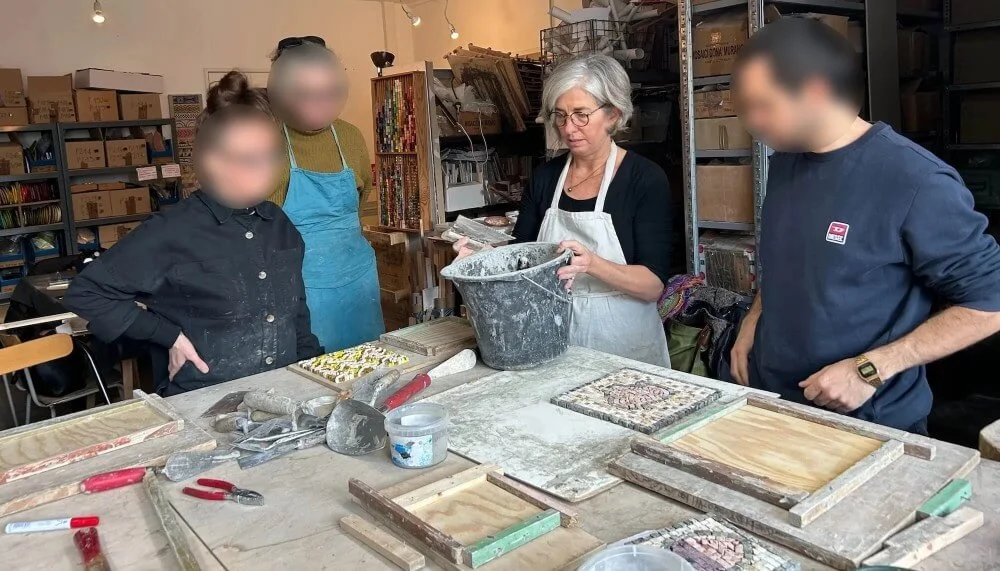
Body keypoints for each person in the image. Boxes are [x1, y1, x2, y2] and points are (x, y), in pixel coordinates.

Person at [728, 17, 1000, 432]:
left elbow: (990, 303)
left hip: (870, 422)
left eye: (765, 107)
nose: (753, 123)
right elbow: (791, 261)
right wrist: (752, 323)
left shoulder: (915, 181)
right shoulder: (785, 161)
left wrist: (869, 370)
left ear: (816, 91)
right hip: (773, 402)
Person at [64, 71, 322, 396]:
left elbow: (296, 311)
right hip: (205, 400)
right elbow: (87, 293)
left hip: (282, 393)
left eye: (269, 157)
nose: (263, 171)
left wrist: (313, 375)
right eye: (247, 159)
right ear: (214, 161)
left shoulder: (279, 224)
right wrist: (167, 335)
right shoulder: (172, 231)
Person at [459, 54, 673, 366]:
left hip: (623, 348)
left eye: (581, 115)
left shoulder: (644, 179)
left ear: (613, 114)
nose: (568, 128)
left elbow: (652, 286)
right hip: (553, 338)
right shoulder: (546, 177)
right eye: (560, 116)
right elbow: (521, 259)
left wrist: (594, 264)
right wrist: (481, 258)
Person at [266, 36, 383, 352]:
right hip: (299, 287)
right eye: (307, 95)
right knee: (313, 375)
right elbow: (257, 228)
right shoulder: (268, 141)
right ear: (282, 95)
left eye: (330, 94)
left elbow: (360, 200)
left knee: (367, 366)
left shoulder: (349, 136)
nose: (321, 104)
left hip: (358, 278)